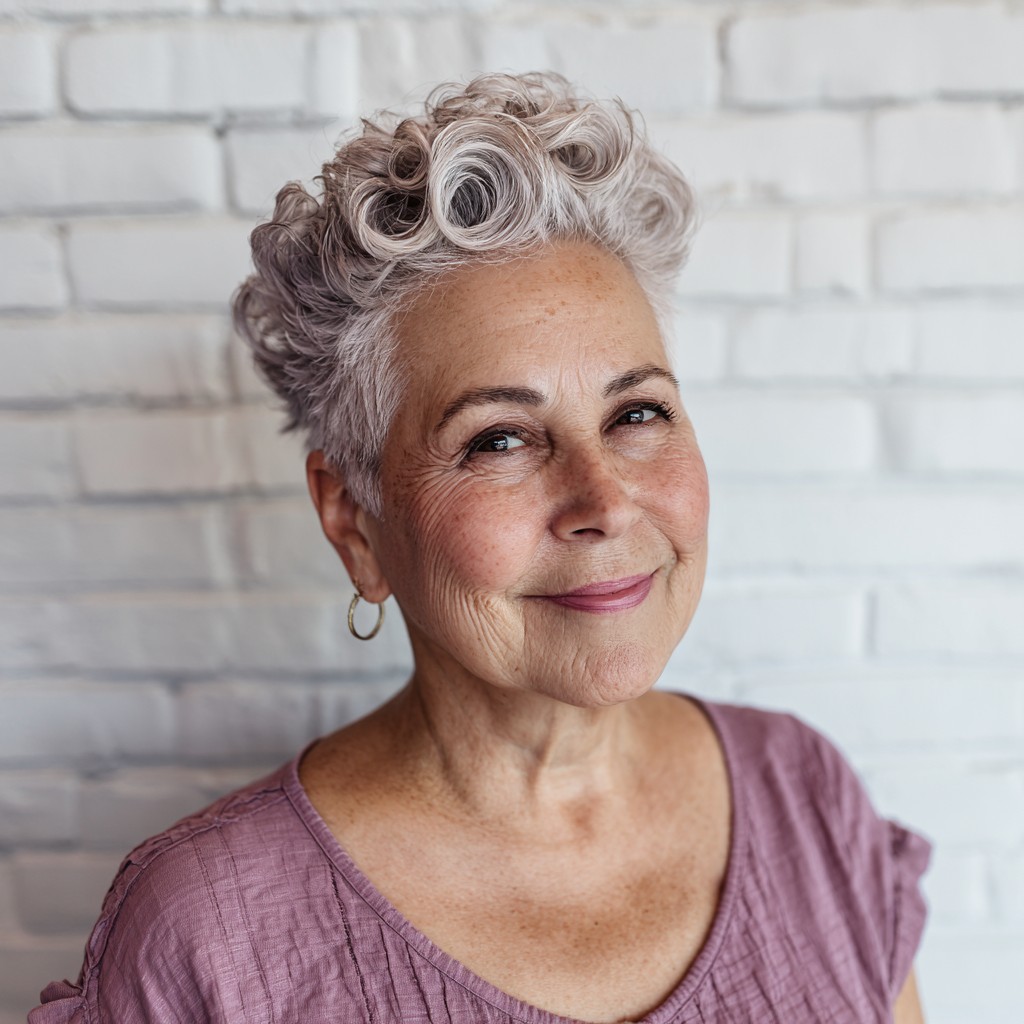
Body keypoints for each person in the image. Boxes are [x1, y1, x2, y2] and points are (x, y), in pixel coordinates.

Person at [30, 72, 930, 1024]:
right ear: (354, 521)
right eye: (499, 439)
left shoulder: (807, 800)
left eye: (636, 413)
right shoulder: (208, 936)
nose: (604, 503)